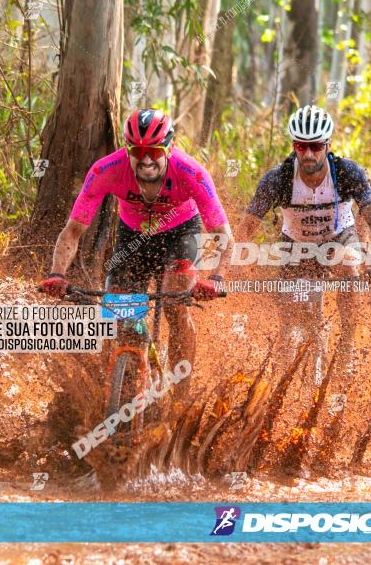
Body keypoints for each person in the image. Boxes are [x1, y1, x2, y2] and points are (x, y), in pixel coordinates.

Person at [40, 108, 233, 392]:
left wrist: (216, 279)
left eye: (154, 151)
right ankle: (120, 388)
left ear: (170, 148)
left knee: (175, 303)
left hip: (180, 232)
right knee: (120, 316)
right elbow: (73, 230)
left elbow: (223, 234)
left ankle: (181, 394)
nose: (145, 160)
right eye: (137, 150)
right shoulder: (106, 170)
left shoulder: (192, 172)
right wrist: (57, 273)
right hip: (134, 236)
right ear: (127, 148)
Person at [237, 105, 371, 371]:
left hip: (338, 238)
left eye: (316, 146)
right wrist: (232, 268)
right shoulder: (278, 179)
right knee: (290, 321)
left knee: (349, 263)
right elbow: (247, 227)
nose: (308, 154)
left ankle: (347, 344)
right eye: (301, 146)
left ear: (328, 145)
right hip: (296, 245)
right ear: (294, 145)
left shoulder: (347, 173)